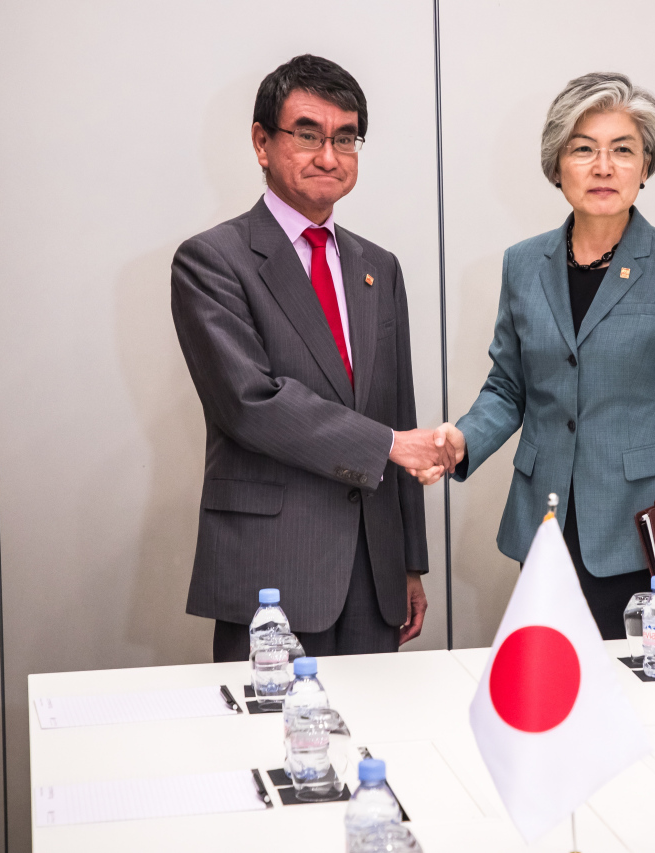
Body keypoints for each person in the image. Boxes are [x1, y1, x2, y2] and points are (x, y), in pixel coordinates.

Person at [414, 73, 655, 638]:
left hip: (643, 532)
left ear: (645, 168)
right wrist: (463, 439)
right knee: (549, 699)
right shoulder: (523, 265)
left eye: (623, 150)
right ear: (557, 166)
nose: (604, 166)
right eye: (584, 149)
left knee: (642, 702)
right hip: (545, 521)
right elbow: (508, 387)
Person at [171, 55, 455, 661]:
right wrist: (386, 445)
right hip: (271, 571)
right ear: (261, 142)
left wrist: (410, 564)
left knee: (375, 746)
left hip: (374, 574)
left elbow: (396, 409)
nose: (329, 156)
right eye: (307, 134)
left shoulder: (379, 267)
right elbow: (251, 404)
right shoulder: (212, 261)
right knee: (271, 750)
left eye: (345, 138)